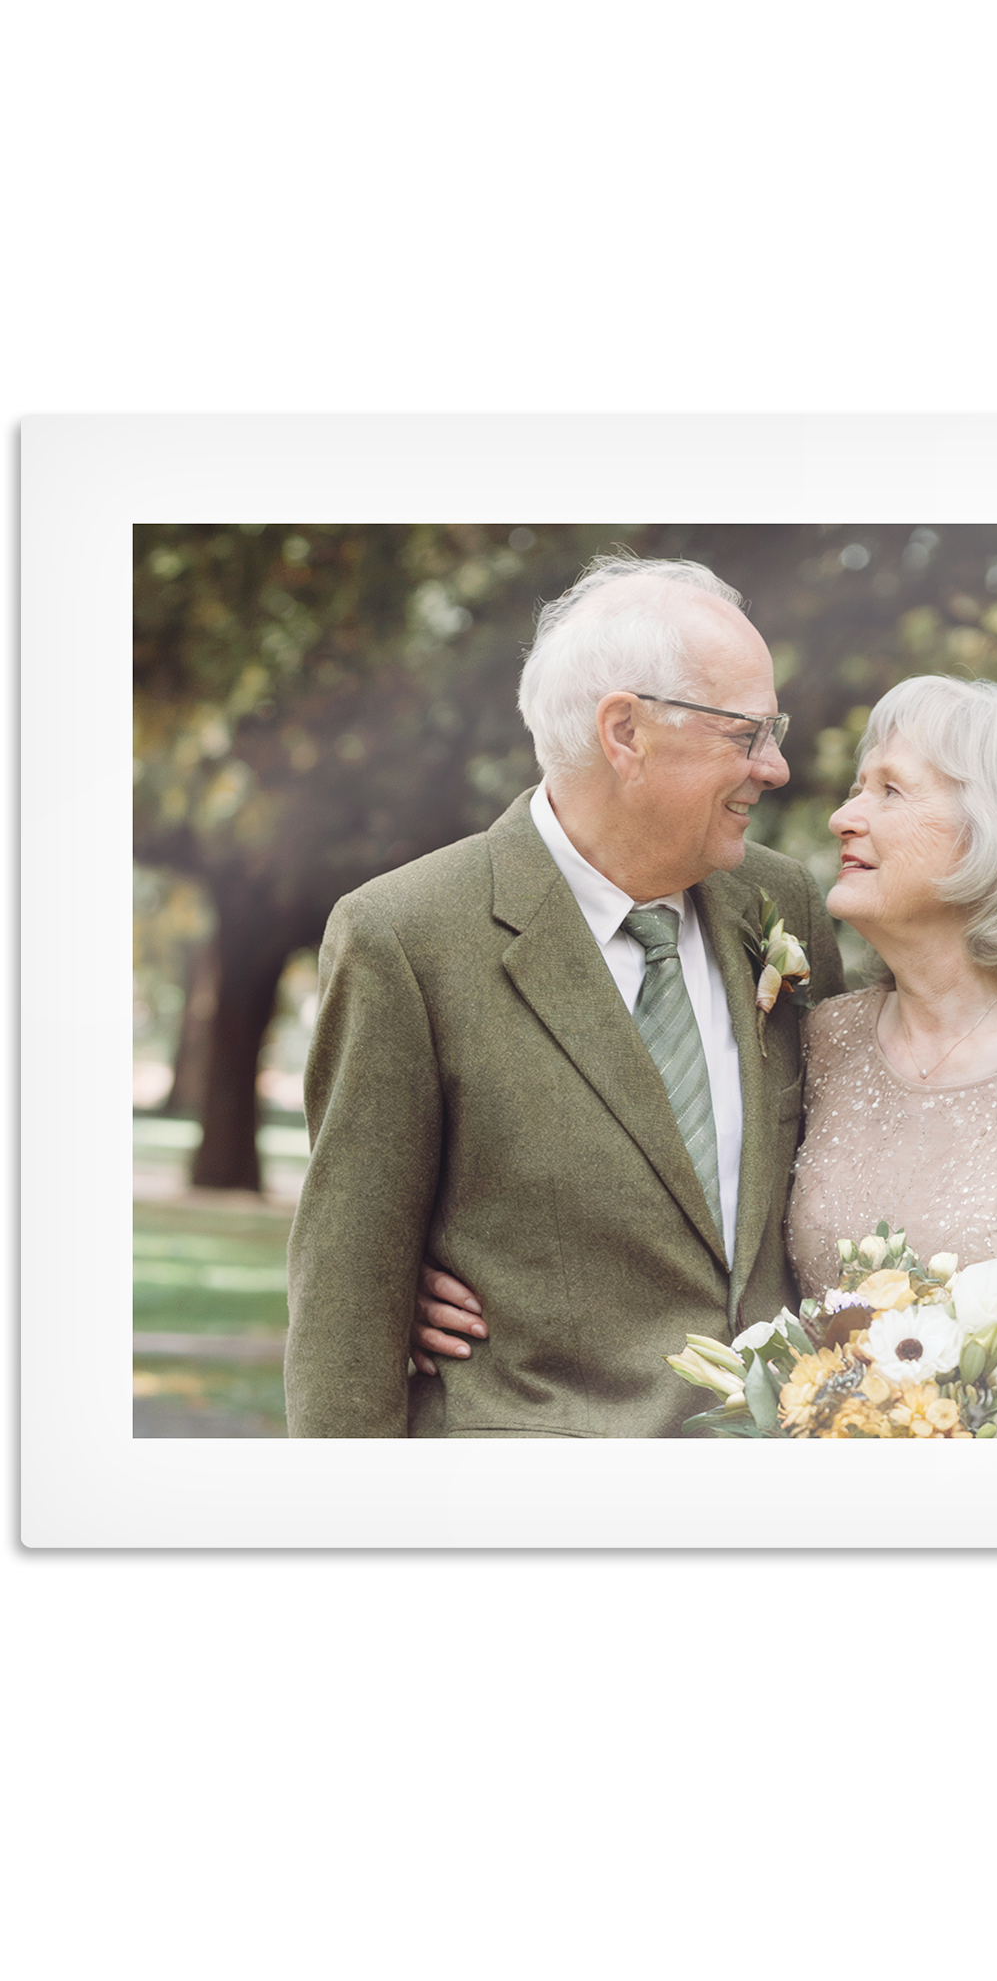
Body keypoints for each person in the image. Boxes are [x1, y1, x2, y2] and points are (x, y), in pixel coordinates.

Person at [419, 673, 997, 1437]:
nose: (843, 815)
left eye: (891, 792)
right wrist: (445, 1272)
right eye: (858, 787)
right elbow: (682, 1207)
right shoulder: (822, 1038)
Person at [284, 555, 843, 1437]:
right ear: (625, 732)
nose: (775, 768)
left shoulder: (784, 906)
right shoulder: (406, 936)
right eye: (748, 734)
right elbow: (346, 1299)